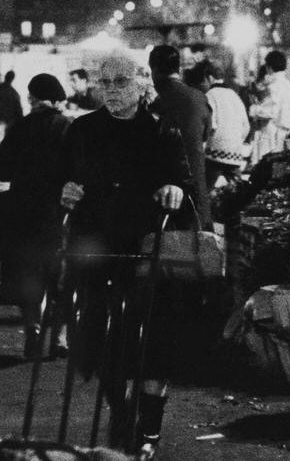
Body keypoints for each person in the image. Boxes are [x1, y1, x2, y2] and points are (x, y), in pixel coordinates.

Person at [59, 52, 190, 460]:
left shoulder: (162, 131)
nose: (110, 91)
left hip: (145, 246)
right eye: (105, 83)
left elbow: (183, 180)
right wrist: (65, 191)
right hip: (97, 244)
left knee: (154, 339)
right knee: (98, 335)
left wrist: (174, 190)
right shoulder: (82, 129)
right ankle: (120, 408)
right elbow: (60, 177)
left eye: (119, 82)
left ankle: (149, 426)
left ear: (140, 84)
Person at [0, 73, 72, 360]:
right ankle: (61, 338)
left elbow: (2, 169)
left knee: (28, 273)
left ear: (34, 98)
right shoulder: (68, 127)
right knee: (61, 274)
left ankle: (32, 328)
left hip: (24, 212)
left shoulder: (19, 128)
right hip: (58, 213)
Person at [148, 45, 211, 227]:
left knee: (169, 247)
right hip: (198, 186)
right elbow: (206, 136)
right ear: (178, 68)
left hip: (167, 192)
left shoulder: (156, 101)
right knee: (199, 244)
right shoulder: (200, 98)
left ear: (154, 69)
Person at [189, 60, 251, 189]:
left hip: (215, 152)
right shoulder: (234, 95)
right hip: (235, 152)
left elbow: (210, 125)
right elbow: (246, 126)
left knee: (204, 187)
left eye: (204, 80)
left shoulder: (210, 95)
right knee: (238, 187)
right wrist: (235, 141)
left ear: (209, 77)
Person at [250, 50, 290, 161]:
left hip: (271, 136)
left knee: (264, 170)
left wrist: (254, 109)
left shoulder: (273, 86)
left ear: (269, 67)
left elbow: (270, 112)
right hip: (286, 136)